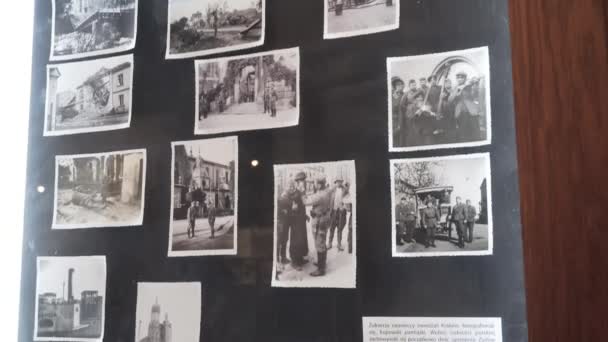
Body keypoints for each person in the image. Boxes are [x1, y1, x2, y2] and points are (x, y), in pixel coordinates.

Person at [302, 176, 337, 277]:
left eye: (315, 183)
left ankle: (321, 270)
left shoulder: (320, 195)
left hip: (319, 220)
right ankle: (322, 263)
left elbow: (305, 202)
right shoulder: (327, 190)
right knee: (322, 241)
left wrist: (302, 191)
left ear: (320, 184)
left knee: (319, 243)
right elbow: (332, 188)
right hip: (324, 218)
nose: (314, 184)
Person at [290, 172, 310, 267]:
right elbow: (293, 204)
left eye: (304, 180)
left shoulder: (301, 192)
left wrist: (305, 215)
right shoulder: (296, 192)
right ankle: (295, 261)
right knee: (296, 240)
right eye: (302, 181)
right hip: (296, 221)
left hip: (301, 219)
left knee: (302, 239)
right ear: (297, 182)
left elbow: (302, 206)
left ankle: (300, 258)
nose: (304, 182)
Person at [277, 182, 295, 265]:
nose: (291, 188)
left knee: (284, 240)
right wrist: (282, 211)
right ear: (286, 187)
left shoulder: (289, 196)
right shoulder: (283, 196)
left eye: (292, 186)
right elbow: (277, 207)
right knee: (279, 241)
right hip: (281, 222)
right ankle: (277, 260)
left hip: (286, 222)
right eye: (290, 186)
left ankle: (283, 258)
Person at [328, 179, 347, 251]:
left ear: (342, 182)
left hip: (341, 212)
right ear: (336, 182)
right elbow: (329, 200)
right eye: (337, 181)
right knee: (332, 228)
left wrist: (344, 206)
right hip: (333, 211)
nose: (339, 183)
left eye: (340, 181)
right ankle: (329, 243)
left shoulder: (345, 190)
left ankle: (339, 244)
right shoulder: (332, 190)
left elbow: (348, 199)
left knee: (340, 228)